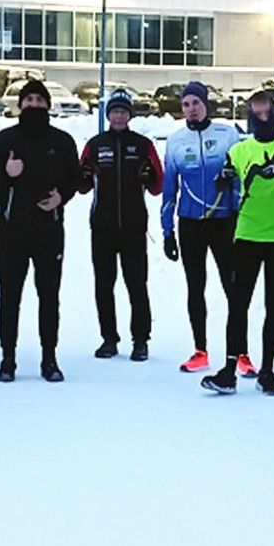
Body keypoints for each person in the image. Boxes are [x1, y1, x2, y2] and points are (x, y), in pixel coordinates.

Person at [201, 90, 274, 396]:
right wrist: (224, 176)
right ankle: (228, 369)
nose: (262, 118)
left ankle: (268, 370)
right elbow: (228, 170)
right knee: (238, 304)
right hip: (247, 234)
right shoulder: (240, 148)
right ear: (249, 115)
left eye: (266, 113)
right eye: (256, 113)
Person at [0, 80, 80, 383]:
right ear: (20, 104)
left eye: (40, 100)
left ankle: (49, 358)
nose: (34, 104)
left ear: (48, 105)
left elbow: (74, 178)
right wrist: (6, 174)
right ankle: (8, 358)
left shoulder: (62, 140)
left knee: (49, 297)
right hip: (12, 231)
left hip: (48, 230)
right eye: (29, 100)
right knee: (10, 296)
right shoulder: (6, 139)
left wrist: (61, 197)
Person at [160, 81, 242, 372]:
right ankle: (200, 350)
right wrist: (167, 232)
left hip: (224, 222)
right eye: (186, 104)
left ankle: (240, 353)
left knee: (234, 289)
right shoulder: (176, 141)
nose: (191, 109)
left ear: (206, 104)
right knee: (195, 288)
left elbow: (243, 174)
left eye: (196, 103)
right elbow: (169, 190)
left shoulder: (228, 135)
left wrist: (230, 179)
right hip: (191, 224)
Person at [79, 89, 162, 362]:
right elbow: (80, 186)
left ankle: (140, 339)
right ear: (108, 115)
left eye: (123, 111)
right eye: (114, 111)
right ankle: (109, 339)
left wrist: (150, 176)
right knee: (104, 283)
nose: (118, 116)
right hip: (102, 226)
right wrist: (84, 175)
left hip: (134, 226)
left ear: (130, 115)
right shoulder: (95, 143)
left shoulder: (142, 145)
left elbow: (158, 186)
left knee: (136, 283)